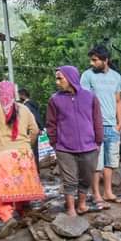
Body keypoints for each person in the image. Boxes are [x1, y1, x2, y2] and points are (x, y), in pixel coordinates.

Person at [0, 81, 44, 229]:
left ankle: (7, 216)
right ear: (14, 93)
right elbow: (36, 130)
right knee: (20, 184)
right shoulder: (24, 108)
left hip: (2, 154)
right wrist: (26, 146)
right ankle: (24, 210)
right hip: (24, 153)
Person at [47, 66, 103, 216]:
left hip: (89, 146)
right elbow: (51, 124)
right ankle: (71, 209)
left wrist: (98, 142)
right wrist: (55, 144)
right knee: (69, 179)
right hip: (64, 148)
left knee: (86, 177)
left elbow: (97, 120)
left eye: (60, 78)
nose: (57, 82)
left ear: (71, 78)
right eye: (57, 78)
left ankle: (82, 205)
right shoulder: (55, 100)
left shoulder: (90, 97)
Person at [81, 45, 121, 206]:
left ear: (105, 60)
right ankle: (96, 194)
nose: (92, 63)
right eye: (91, 60)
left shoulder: (116, 77)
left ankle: (108, 192)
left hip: (112, 125)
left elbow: (118, 100)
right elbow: (84, 101)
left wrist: (119, 123)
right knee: (96, 163)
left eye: (95, 60)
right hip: (94, 125)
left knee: (110, 161)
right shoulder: (87, 76)